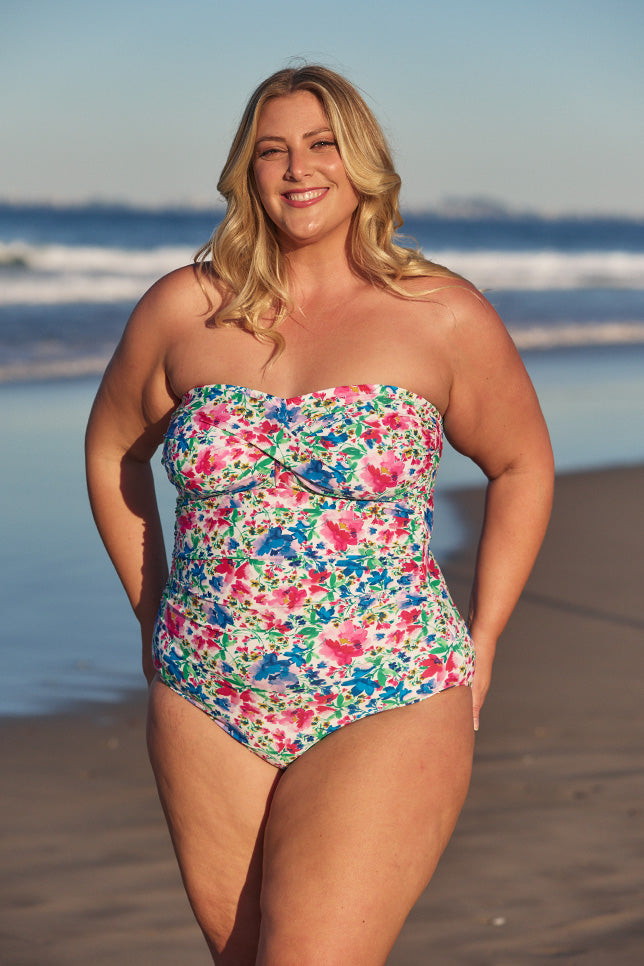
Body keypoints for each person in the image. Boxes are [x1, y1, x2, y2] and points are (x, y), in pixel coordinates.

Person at [85, 65, 554, 966]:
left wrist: (485, 634)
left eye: (320, 144)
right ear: (245, 173)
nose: (297, 169)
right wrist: (154, 612)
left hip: (391, 686)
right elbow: (114, 452)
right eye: (272, 150)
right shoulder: (185, 308)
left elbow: (522, 462)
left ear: (362, 162)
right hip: (205, 695)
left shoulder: (439, 315)